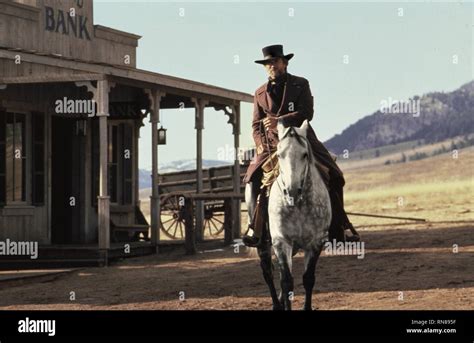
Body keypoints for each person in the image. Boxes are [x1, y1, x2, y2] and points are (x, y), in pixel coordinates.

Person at [242, 44, 359, 248]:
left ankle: (340, 226)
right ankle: (255, 228)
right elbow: (255, 125)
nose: (271, 66)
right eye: (268, 64)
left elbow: (307, 113)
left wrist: (280, 120)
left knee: (335, 176)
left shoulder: (301, 84)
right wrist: (260, 143)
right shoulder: (259, 93)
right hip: (271, 143)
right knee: (251, 179)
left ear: (284, 63)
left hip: (301, 136)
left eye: (275, 62)